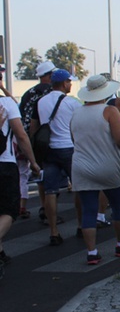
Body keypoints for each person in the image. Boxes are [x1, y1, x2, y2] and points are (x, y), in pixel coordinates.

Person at [71, 75, 120, 265]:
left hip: (81, 166)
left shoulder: (76, 112)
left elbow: (74, 139)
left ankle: (92, 252)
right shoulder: (109, 111)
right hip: (108, 165)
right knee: (118, 206)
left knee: (89, 210)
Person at [34, 69, 82, 246]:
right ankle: (81, 225)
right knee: (78, 187)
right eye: (69, 81)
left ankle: (54, 231)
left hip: (49, 150)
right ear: (64, 83)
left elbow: (35, 125)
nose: (70, 84)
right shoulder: (72, 103)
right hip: (69, 148)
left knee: (50, 191)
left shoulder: (41, 102)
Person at [0, 97, 40, 278]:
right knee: (9, 210)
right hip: (4, 164)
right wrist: (33, 162)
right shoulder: (6, 103)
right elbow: (21, 135)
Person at [17, 61, 56, 220]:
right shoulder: (50, 92)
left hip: (29, 139)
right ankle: (48, 209)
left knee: (36, 173)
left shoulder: (28, 93)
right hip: (47, 138)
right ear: (50, 76)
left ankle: (41, 205)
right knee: (52, 175)